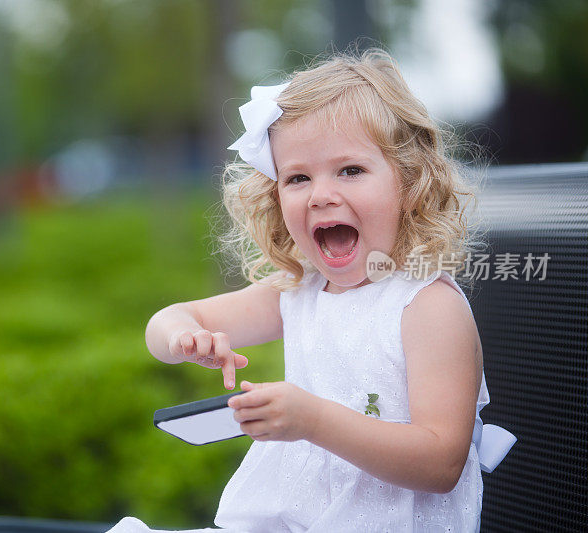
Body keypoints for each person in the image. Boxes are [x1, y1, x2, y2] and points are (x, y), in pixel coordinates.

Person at [107, 47, 515, 532]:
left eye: (350, 170)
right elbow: (168, 320)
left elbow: (441, 463)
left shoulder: (428, 306)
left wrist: (313, 421)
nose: (321, 194)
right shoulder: (300, 290)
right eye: (298, 177)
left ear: (409, 184)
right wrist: (183, 337)